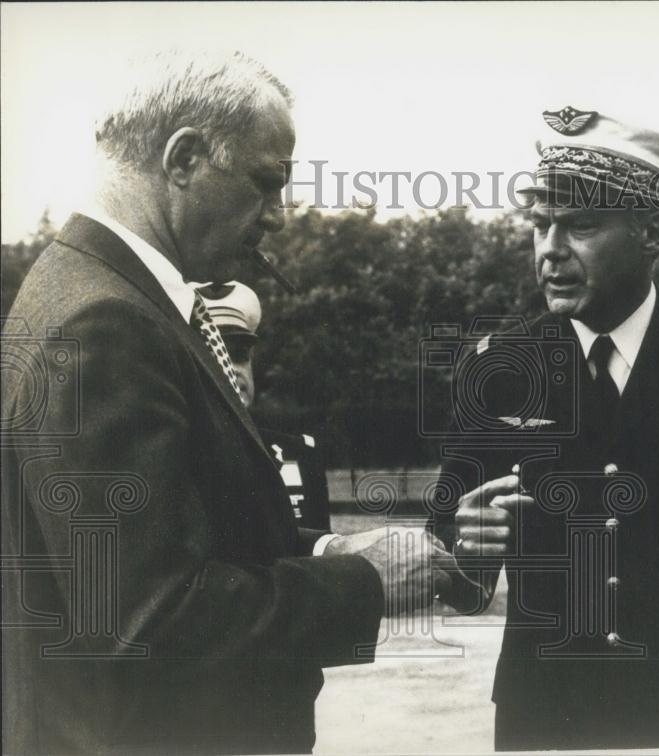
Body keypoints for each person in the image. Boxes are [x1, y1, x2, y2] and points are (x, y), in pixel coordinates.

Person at [0, 50, 457, 754]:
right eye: (266, 182)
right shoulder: (105, 323)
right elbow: (149, 618)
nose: (277, 215)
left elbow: (178, 539)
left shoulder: (97, 293)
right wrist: (363, 582)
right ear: (183, 159)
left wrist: (330, 546)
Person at [430, 109, 659, 749]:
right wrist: (464, 549)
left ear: (650, 232)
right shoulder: (499, 372)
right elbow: (459, 584)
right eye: (540, 226)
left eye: (581, 226)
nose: (551, 250)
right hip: (547, 714)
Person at [198, 281, 332, 531]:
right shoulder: (178, 454)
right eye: (216, 356)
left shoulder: (300, 454)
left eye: (240, 355)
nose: (234, 370)